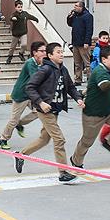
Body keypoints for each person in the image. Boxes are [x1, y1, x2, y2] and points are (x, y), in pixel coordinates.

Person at [14, 42, 84, 183]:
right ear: (50, 55)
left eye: (62, 52)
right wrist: (40, 102)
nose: (61, 54)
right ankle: (63, 172)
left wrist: (78, 99)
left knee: (44, 139)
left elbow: (70, 87)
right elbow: (30, 87)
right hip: (45, 110)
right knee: (59, 139)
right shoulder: (44, 69)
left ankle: (20, 155)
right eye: (58, 52)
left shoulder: (63, 70)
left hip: (55, 109)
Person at [0, 41, 46, 150]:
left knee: (38, 111)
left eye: (45, 51)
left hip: (31, 95)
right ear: (34, 53)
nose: (44, 53)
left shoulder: (40, 63)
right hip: (21, 94)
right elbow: (36, 78)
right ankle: (3, 138)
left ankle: (20, 124)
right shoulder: (30, 63)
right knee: (13, 119)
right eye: (42, 51)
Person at [66, 1, 94, 85]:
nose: (74, 7)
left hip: (83, 43)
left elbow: (89, 30)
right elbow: (70, 24)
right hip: (75, 42)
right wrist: (69, 17)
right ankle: (78, 79)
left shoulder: (88, 16)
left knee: (87, 63)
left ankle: (90, 79)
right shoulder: (75, 16)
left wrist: (86, 41)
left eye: (76, 6)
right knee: (77, 63)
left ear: (81, 7)